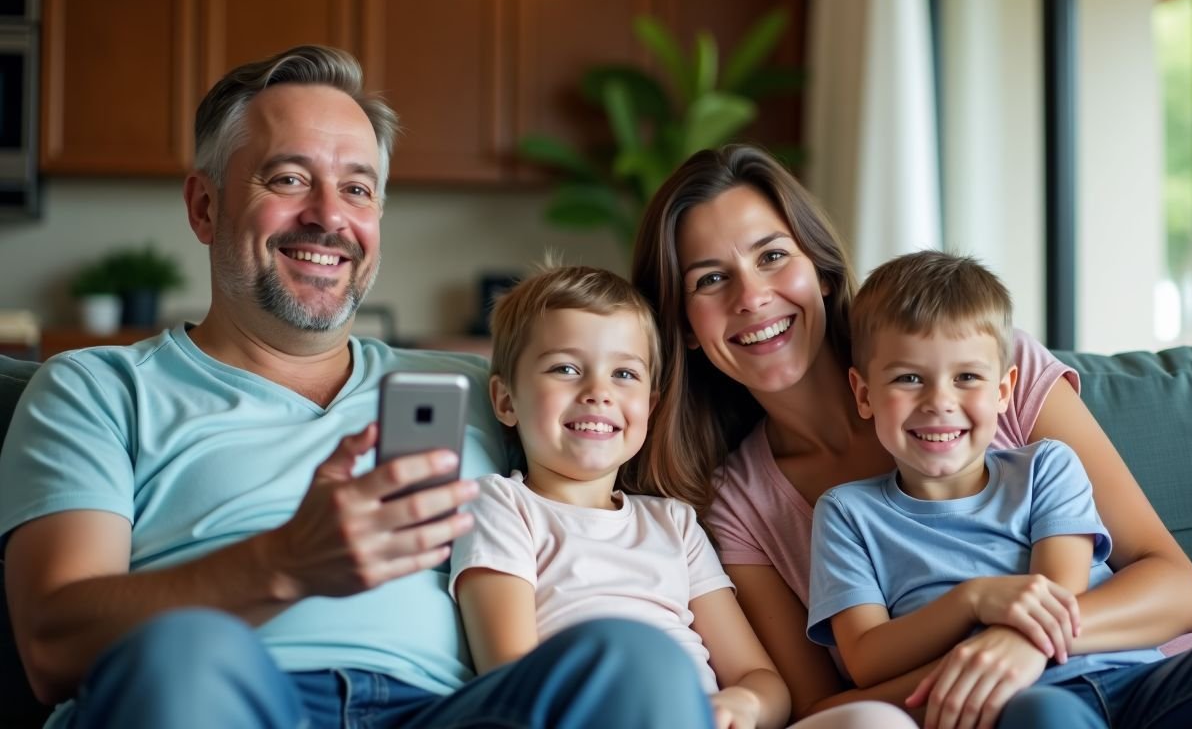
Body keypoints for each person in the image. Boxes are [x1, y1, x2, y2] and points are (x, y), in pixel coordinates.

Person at [0, 45, 713, 729]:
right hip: (222, 698)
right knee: (188, 652)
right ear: (205, 207)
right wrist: (284, 562)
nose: (329, 216)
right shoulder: (98, 389)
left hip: (444, 713)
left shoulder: (482, 388)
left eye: (357, 188)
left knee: (635, 663)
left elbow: (652, 411)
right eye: (287, 178)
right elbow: (52, 648)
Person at [624, 143, 1192, 726]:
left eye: (773, 256)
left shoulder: (990, 370)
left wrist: (1023, 645)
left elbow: (1179, 590)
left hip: (1168, 680)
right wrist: (976, 659)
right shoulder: (739, 507)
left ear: (822, 272)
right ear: (685, 328)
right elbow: (819, 713)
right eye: (709, 280)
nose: (751, 296)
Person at [807, 250, 1192, 728]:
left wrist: (1016, 635)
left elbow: (1058, 595)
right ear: (864, 393)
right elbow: (868, 658)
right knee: (1043, 713)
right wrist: (974, 601)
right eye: (908, 378)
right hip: (1029, 703)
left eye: (967, 378)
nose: (939, 401)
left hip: (1137, 679)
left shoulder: (1046, 466)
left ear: (1004, 391)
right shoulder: (848, 514)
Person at [451, 263, 794, 729]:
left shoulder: (673, 523)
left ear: (650, 407)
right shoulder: (504, 506)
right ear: (506, 400)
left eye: (624, 374)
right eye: (565, 368)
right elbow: (515, 682)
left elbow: (762, 680)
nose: (598, 392)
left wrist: (745, 705)